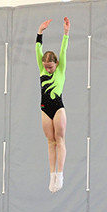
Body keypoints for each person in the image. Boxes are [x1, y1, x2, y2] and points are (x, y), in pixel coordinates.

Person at [37, 17, 69, 193]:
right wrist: (40, 32)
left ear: (56, 64)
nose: (48, 70)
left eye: (50, 67)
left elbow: (63, 50)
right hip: (44, 109)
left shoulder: (60, 67)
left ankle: (60, 174)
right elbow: (37, 49)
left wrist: (66, 33)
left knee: (60, 140)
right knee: (50, 143)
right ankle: (51, 176)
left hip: (58, 108)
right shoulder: (42, 69)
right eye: (46, 67)